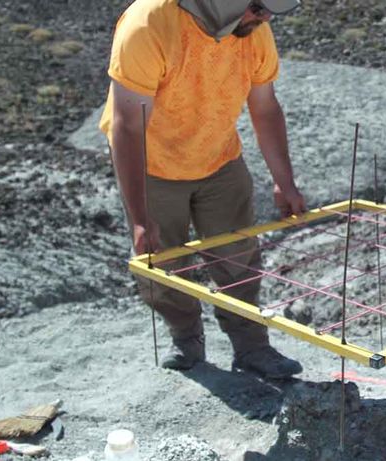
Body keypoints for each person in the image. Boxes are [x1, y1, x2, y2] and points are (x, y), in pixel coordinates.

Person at [98, 0, 307, 378]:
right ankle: (185, 340)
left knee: (238, 256)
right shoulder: (147, 25)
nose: (265, 18)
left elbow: (264, 105)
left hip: (219, 159)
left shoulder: (253, 29)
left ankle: (251, 346)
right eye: (258, 8)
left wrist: (284, 180)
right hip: (153, 167)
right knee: (163, 263)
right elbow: (126, 126)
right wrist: (141, 217)